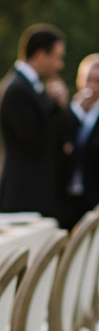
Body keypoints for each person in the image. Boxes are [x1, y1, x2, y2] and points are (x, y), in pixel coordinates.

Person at [0, 25, 69, 218]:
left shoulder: (31, 87)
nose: (59, 65)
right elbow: (36, 140)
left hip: (32, 195)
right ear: (40, 54)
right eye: (57, 57)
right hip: (22, 197)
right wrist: (59, 109)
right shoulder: (17, 90)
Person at [58, 54, 99, 231]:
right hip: (66, 198)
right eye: (89, 79)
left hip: (93, 197)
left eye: (97, 81)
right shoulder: (68, 111)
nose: (92, 86)